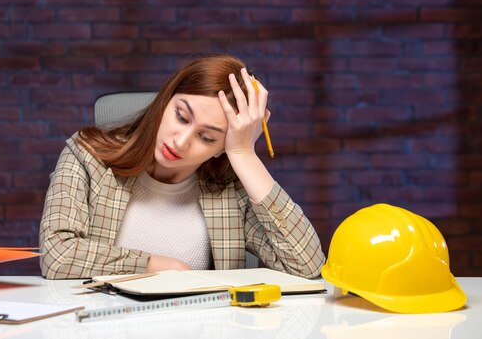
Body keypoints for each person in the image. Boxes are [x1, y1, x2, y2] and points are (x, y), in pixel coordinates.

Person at [39, 54, 325, 279]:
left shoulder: (230, 191)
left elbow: (307, 266)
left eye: (207, 137)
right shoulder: (87, 155)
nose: (181, 141)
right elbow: (57, 256)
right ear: (165, 102)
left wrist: (243, 153)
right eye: (181, 116)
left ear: (220, 148)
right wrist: (154, 266)